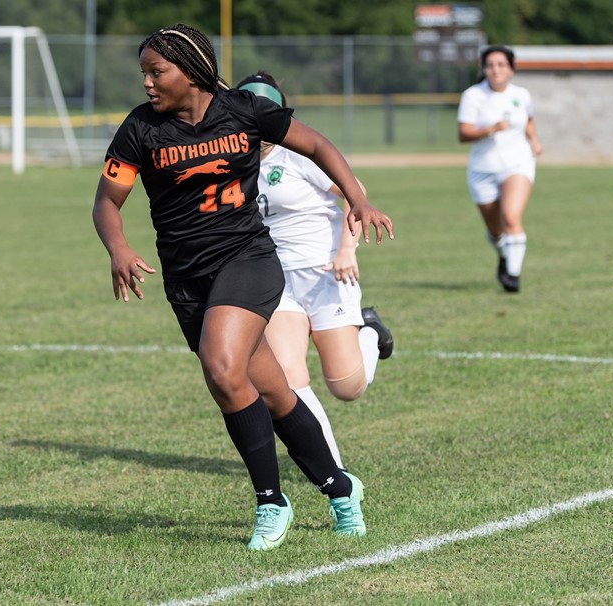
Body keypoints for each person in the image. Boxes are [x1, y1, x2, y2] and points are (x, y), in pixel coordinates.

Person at [92, 24, 393, 550]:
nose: (147, 82)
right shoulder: (139, 129)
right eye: (143, 71)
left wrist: (358, 200)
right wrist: (117, 246)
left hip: (247, 259)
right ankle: (340, 486)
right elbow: (106, 202)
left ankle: (271, 502)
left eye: (156, 71)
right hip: (188, 279)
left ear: (190, 71)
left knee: (222, 368)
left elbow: (319, 145)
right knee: (272, 390)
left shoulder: (244, 110)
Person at [235, 72, 394, 471]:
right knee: (287, 377)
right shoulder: (233, 163)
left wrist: (347, 250)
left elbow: (353, 190)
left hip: (325, 274)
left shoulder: (298, 154)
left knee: (346, 387)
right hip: (275, 281)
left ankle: (371, 333)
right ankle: (335, 474)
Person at [457, 44, 543, 293]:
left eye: (501, 65)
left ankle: (513, 277)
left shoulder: (522, 95)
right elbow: (463, 134)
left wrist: (535, 142)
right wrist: (489, 129)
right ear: (484, 69)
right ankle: (505, 256)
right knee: (495, 230)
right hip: (482, 169)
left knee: (511, 217)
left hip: (518, 163)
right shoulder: (473, 96)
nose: (496, 70)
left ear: (511, 69)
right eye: (491, 65)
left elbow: (527, 121)